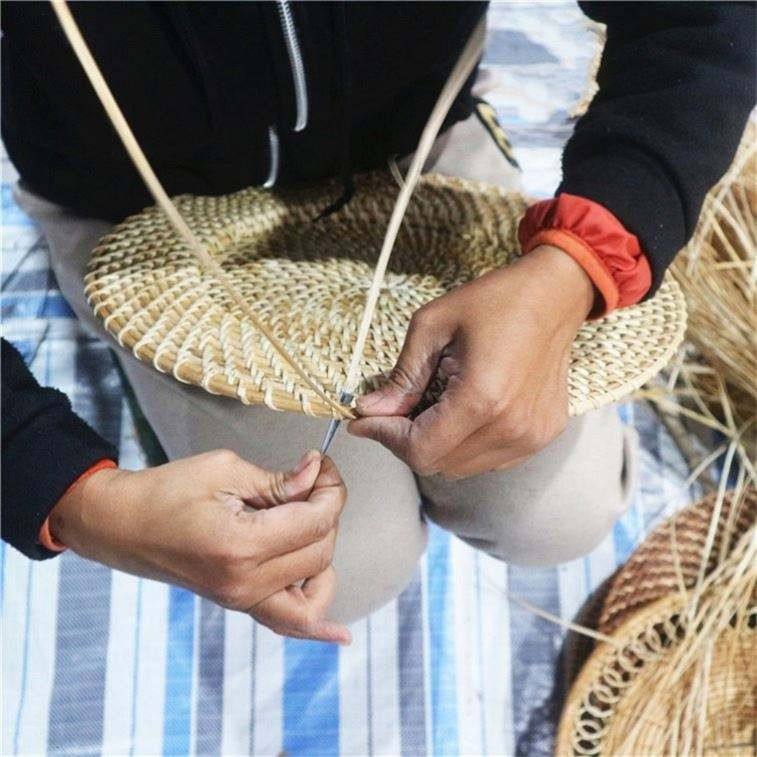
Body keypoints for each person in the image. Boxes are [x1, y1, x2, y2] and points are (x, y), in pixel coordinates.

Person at [2, 2, 754, 636]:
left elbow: (702, 18)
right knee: (340, 570)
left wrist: (580, 258)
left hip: (413, 143)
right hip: (135, 201)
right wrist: (68, 490)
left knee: (562, 516)